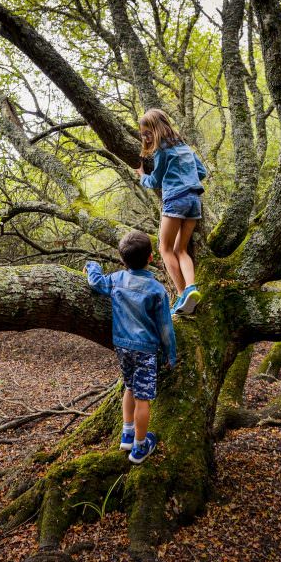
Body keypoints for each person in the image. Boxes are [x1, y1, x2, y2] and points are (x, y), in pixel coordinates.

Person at [85, 230, 177, 464]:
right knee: (143, 398)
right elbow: (166, 327)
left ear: (122, 259)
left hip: (122, 346)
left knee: (129, 387)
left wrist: (93, 265)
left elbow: (95, 282)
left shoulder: (116, 280)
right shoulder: (157, 290)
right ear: (151, 258)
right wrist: (171, 355)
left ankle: (127, 433)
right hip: (146, 350)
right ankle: (139, 446)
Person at [134, 108, 207, 315]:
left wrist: (141, 175)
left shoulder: (162, 151)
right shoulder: (185, 147)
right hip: (194, 200)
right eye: (143, 134)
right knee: (180, 249)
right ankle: (191, 289)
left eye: (148, 133)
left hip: (175, 199)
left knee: (164, 249)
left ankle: (183, 294)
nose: (146, 137)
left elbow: (155, 180)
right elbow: (202, 172)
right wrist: (188, 178)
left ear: (157, 130)